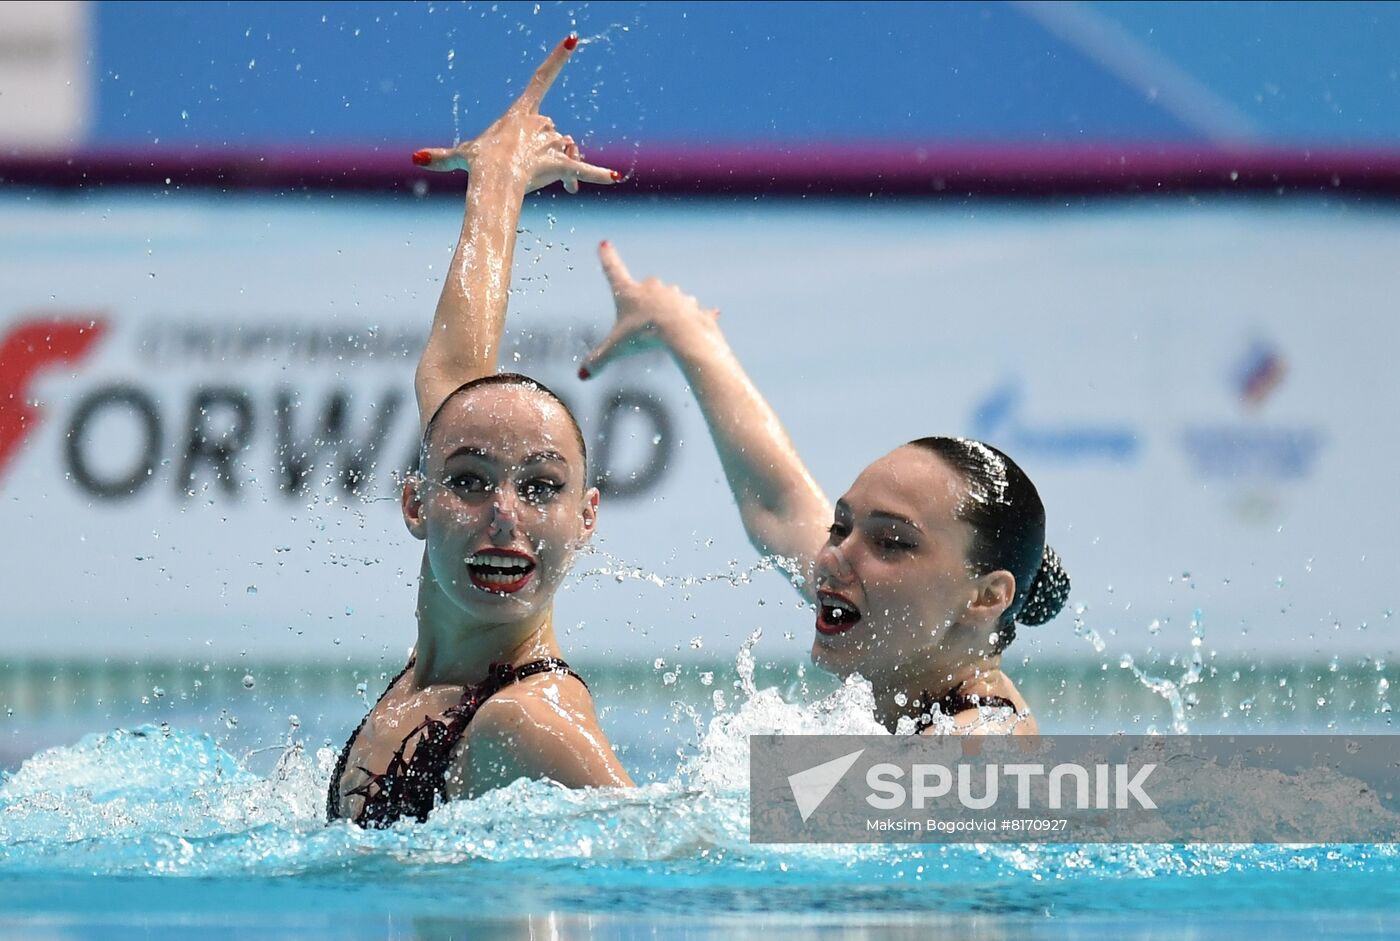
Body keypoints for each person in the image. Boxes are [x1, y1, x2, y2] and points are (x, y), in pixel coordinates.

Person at [576, 243, 1071, 735]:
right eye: (840, 527)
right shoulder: (904, 638)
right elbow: (778, 504)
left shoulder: (980, 747)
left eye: (892, 542)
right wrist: (685, 331)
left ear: (986, 596)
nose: (831, 557)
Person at [327, 37, 633, 828]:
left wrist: (975, 791)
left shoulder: (528, 720)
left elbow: (695, 854)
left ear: (587, 517)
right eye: (468, 480)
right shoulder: (432, 683)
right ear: (414, 504)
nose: (507, 513)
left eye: (542, 487)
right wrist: (497, 184)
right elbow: (454, 373)